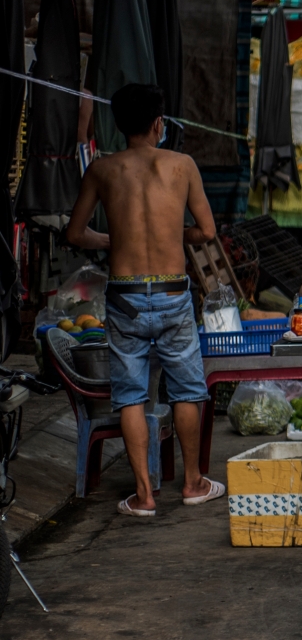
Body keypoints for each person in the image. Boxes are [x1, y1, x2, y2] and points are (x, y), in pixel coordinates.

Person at [64, 84, 224, 517]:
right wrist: (173, 233)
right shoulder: (182, 165)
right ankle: (193, 483)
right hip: (172, 291)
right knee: (187, 390)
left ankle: (144, 496)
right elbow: (207, 232)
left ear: (118, 125)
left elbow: (75, 233)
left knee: (131, 396)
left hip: (125, 297)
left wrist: (113, 239)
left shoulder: (102, 169)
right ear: (159, 124)